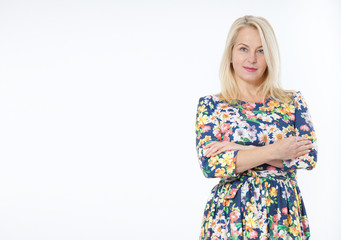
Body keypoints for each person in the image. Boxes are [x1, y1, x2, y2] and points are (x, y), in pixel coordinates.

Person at [195, 15, 318, 240]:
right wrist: (276, 151)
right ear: (230, 54)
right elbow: (211, 165)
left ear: (270, 56)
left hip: (282, 216)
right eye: (244, 49)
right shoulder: (212, 105)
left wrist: (238, 149)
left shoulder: (292, 101)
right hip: (230, 217)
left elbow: (307, 159)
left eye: (261, 51)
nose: (252, 58)